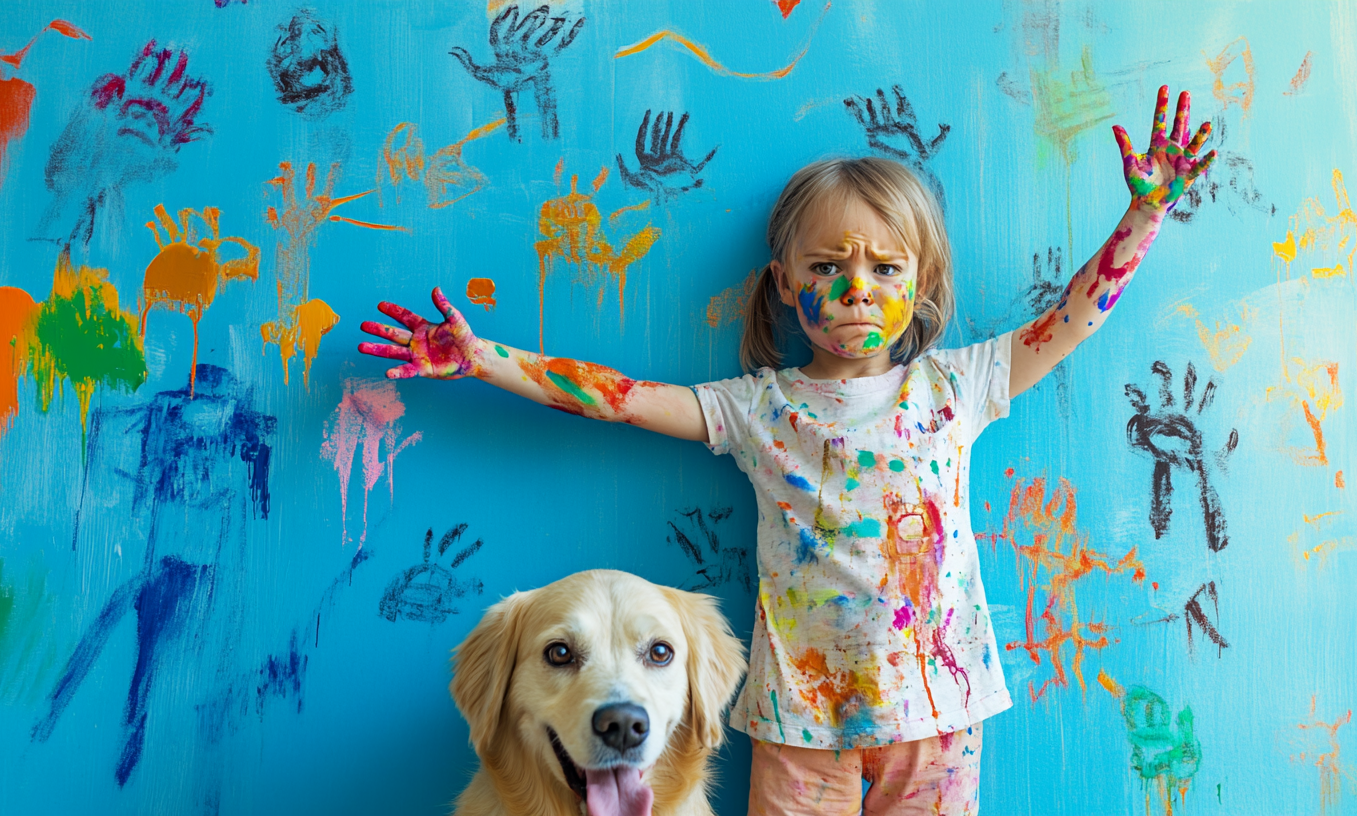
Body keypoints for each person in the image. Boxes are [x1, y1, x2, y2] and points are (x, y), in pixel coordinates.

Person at [358, 86, 1215, 815]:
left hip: (938, 717)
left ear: (919, 285)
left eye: (886, 266)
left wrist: (1145, 211)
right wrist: (482, 359)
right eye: (828, 263)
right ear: (783, 282)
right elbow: (615, 397)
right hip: (800, 724)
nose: (857, 285)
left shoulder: (959, 387)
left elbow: (1069, 322)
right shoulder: (758, 408)